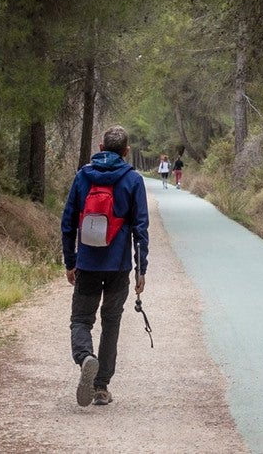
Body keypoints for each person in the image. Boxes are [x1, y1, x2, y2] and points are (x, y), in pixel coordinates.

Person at [60, 124, 149, 408]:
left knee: (81, 320)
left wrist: (70, 261)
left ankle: (86, 357)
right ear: (126, 151)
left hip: (87, 263)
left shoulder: (83, 176)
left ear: (100, 148)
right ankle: (101, 388)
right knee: (111, 322)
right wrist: (140, 269)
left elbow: (68, 223)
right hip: (118, 267)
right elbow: (140, 228)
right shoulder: (133, 179)